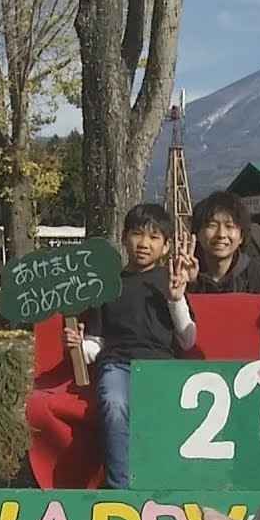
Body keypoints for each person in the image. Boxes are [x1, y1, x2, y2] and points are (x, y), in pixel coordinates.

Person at [63, 204, 198, 489]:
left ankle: (168, 485)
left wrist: (176, 298)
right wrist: (80, 345)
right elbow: (95, 344)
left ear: (166, 245)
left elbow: (188, 339)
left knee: (169, 412)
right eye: (137, 234)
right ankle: (119, 490)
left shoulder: (170, 280)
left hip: (161, 366)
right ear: (124, 238)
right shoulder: (109, 284)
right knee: (114, 404)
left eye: (154, 237)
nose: (144, 244)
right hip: (117, 364)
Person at [188, 191, 260, 294]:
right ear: (197, 233)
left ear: (241, 236)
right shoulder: (182, 273)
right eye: (212, 225)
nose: (221, 234)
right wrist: (190, 285)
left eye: (229, 226)